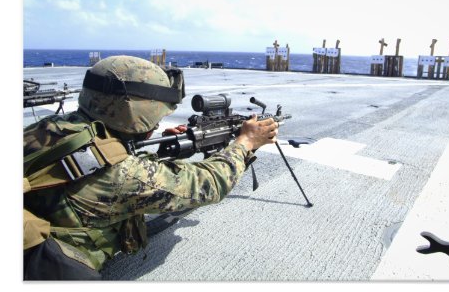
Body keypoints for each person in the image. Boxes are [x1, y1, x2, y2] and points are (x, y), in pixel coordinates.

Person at [23, 55, 278, 280]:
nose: (156, 124)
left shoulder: (54, 126)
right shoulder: (121, 176)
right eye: (155, 115)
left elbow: (108, 158)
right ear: (134, 111)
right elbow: (207, 184)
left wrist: (167, 145)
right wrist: (245, 143)